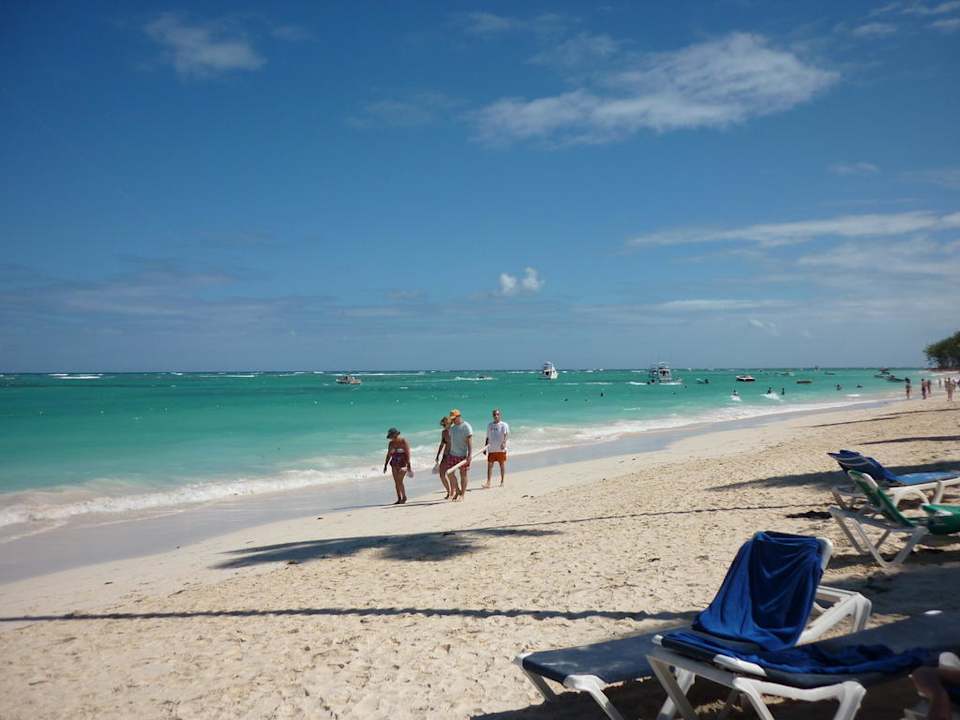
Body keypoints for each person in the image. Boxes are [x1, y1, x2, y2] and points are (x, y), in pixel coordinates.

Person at [446, 409, 472, 501]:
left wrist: (469, 455)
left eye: (454, 418)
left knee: (463, 474)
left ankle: (463, 494)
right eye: (451, 418)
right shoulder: (452, 428)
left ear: (459, 416)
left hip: (463, 455)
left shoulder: (466, 426)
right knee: (449, 473)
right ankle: (457, 490)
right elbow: (450, 442)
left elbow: (469, 441)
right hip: (452, 454)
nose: (452, 420)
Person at [383, 427, 411, 505]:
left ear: (395, 434)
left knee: (399, 480)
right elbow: (388, 455)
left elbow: (408, 453)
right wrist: (385, 465)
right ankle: (399, 498)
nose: (391, 438)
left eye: (392, 436)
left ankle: (404, 497)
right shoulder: (391, 443)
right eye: (390, 436)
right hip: (394, 463)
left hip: (403, 463)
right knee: (396, 482)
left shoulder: (403, 441)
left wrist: (409, 465)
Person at [483, 408, 510, 488]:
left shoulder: (504, 425)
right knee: (489, 466)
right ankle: (488, 482)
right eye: (494, 414)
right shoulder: (490, 425)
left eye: (497, 414)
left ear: (500, 415)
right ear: (492, 416)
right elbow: (487, 437)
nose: (496, 416)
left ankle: (502, 481)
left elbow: (506, 435)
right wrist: (485, 447)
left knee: (501, 464)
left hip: (500, 449)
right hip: (491, 449)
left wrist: (504, 442)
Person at [435, 416, 454, 499]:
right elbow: (442, 444)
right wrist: (438, 455)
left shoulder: (454, 431)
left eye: (445, 424)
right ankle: (449, 491)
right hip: (445, 455)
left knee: (450, 474)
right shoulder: (444, 432)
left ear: (449, 423)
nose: (444, 425)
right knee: (442, 474)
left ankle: (452, 492)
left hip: (453, 455)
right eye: (443, 424)